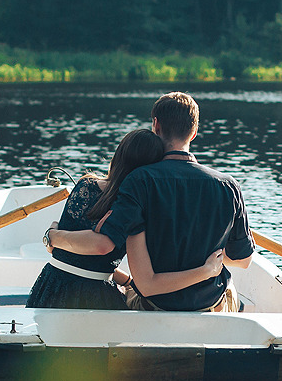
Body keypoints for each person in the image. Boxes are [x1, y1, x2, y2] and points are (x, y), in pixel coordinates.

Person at [46, 92, 254, 312]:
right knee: (232, 293)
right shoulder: (229, 186)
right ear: (194, 133)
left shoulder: (138, 181)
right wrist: (210, 263)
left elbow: (135, 275)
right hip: (212, 303)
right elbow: (243, 260)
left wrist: (53, 236)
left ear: (156, 125)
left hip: (155, 305)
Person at [27, 128, 222, 310]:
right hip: (94, 293)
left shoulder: (86, 186)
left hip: (53, 283)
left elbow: (80, 261)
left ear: (119, 154)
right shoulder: (136, 204)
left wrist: (52, 236)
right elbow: (100, 249)